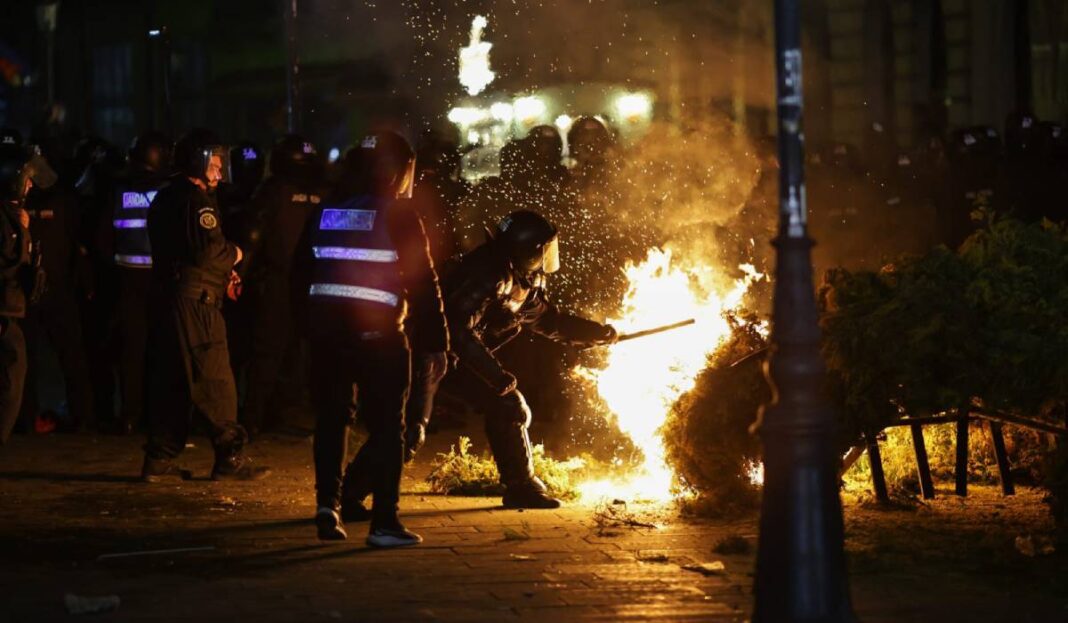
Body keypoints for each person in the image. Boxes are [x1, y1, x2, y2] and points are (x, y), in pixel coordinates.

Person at [293, 131, 448, 546]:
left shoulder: (325, 211)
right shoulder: (398, 214)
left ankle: (328, 507)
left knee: (332, 418)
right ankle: (384, 524)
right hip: (379, 336)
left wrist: (308, 328)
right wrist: (438, 339)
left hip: (327, 335)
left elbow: (300, 274)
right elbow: (423, 281)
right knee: (388, 428)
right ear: (396, 170)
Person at [441, 210, 618, 509]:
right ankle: (521, 488)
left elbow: (550, 322)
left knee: (507, 407)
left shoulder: (515, 277)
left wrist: (597, 333)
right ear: (528, 250)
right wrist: (495, 376)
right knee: (408, 430)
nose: (547, 255)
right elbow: (456, 329)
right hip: (432, 355)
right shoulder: (487, 274)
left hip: (456, 357)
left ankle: (522, 484)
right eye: (543, 249)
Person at [141, 128, 268, 482]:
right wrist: (237, 254)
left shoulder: (167, 197)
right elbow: (209, 251)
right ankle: (229, 455)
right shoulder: (196, 201)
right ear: (196, 162)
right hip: (196, 304)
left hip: (170, 299)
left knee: (173, 379)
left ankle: (158, 459)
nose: (217, 172)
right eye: (213, 164)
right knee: (215, 378)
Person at [238, 135, 323, 436]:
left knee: (268, 352)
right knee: (297, 352)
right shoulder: (324, 193)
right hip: (313, 284)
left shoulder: (272, 191)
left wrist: (239, 276)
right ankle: (280, 414)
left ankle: (254, 417)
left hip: (278, 281)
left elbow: (252, 236)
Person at [102, 131, 172, 434]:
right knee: (164, 351)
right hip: (165, 282)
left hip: (128, 281)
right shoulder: (171, 192)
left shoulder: (119, 192)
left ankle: (130, 415)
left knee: (132, 352)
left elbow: (102, 238)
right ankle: (161, 418)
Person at [0, 143, 37, 444]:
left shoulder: (13, 216)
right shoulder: (4, 219)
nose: (31, 184)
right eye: (27, 178)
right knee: (9, 386)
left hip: (10, 311)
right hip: (3, 314)